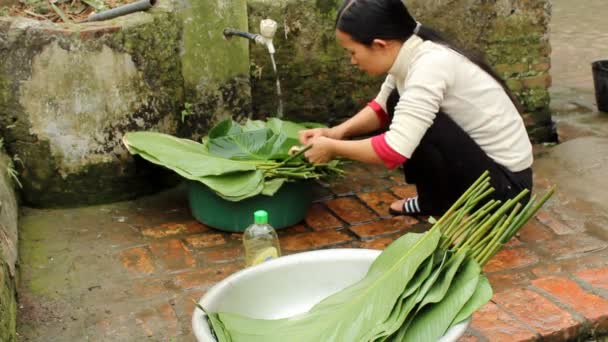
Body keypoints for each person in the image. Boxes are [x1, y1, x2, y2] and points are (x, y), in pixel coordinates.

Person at [298, 0, 533, 216]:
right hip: (487, 171)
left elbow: (394, 149)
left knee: (416, 123)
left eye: (352, 52)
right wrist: (335, 133)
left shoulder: (430, 65)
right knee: (397, 103)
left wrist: (333, 149)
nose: (352, 61)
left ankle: (451, 206)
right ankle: (434, 201)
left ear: (380, 45)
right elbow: (381, 108)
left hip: (508, 192)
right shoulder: (408, 49)